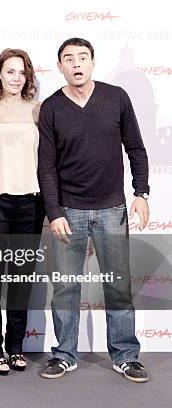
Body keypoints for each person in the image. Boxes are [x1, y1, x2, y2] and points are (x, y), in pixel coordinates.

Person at [38, 38, 150, 383]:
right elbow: (46, 167)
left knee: (117, 286)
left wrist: (141, 193)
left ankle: (126, 355)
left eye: (82, 57)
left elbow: (136, 149)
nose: (76, 64)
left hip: (111, 209)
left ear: (92, 62)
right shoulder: (51, 107)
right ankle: (64, 354)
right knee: (66, 287)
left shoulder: (116, 97)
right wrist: (54, 211)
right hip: (68, 211)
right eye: (68, 59)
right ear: (59, 67)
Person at [0, 48, 46, 375]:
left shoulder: (38, 111)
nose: (16, 78)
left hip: (30, 202)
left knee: (21, 279)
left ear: (27, 77)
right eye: (10, 71)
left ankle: (16, 346)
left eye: (22, 73)